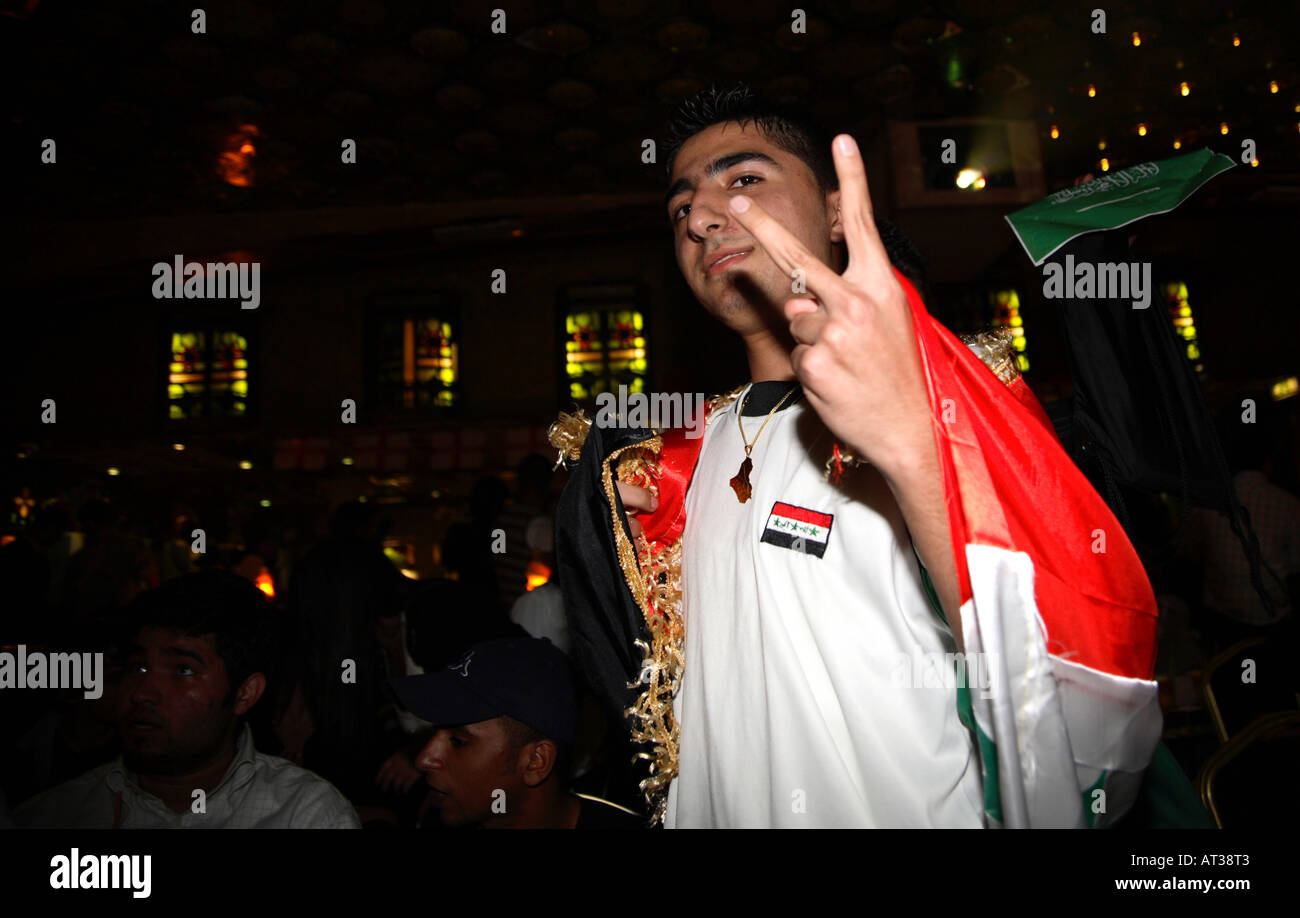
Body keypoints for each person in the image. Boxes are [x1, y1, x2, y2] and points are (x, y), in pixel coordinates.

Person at [551, 83, 1162, 828]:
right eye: (682, 209)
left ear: (838, 211)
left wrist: (915, 443)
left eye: (744, 181)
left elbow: (1073, 695)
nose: (704, 217)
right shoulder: (674, 463)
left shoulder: (958, 395)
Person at [14, 570, 359, 828]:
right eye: (139, 668)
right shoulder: (56, 815)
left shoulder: (305, 816)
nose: (142, 693)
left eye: (182, 671)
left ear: (244, 693)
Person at [389, 636, 642, 829]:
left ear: (535, 761)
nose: (423, 759)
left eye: (457, 741)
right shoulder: (435, 818)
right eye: (434, 732)